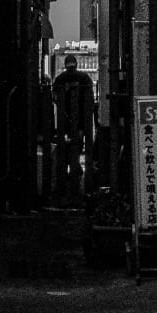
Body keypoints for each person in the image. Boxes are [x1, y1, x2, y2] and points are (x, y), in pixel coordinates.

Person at [52, 55, 95, 203]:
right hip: (81, 121)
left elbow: (55, 97)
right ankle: (75, 169)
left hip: (66, 119)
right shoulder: (84, 78)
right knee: (77, 144)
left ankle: (69, 171)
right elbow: (90, 100)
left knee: (67, 145)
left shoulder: (60, 79)